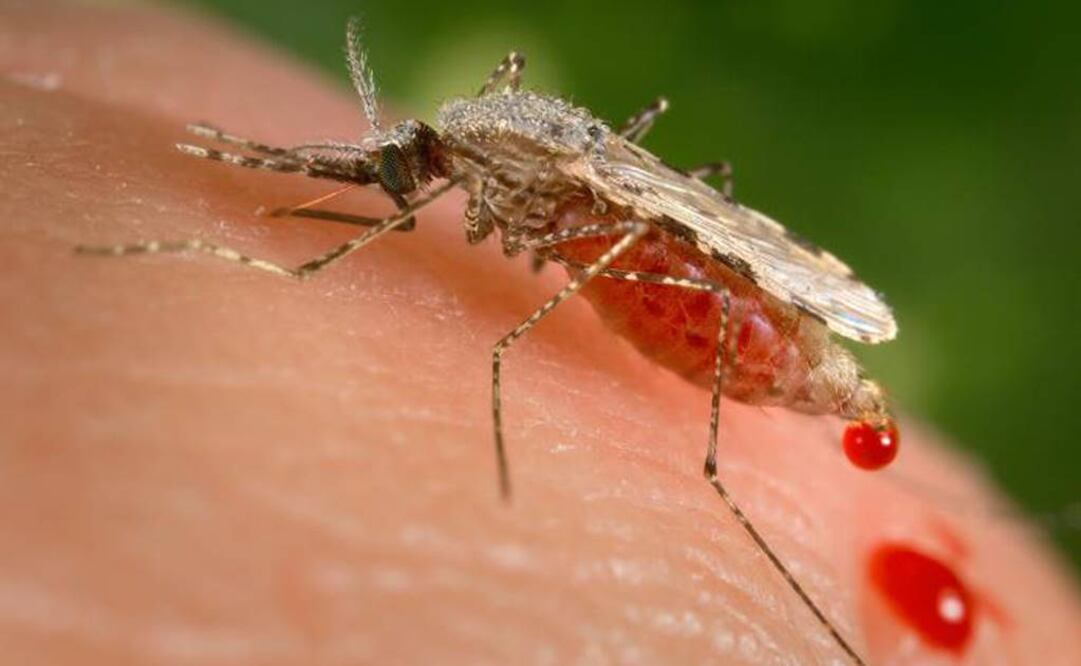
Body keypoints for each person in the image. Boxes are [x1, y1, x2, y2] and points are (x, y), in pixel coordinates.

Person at [2, 3, 1078, 663]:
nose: (399, 178)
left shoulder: (488, 154)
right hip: (644, 235)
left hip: (705, 287)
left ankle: (713, 469)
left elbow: (575, 191)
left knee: (611, 265)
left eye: (401, 170)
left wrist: (510, 348)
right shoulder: (471, 136)